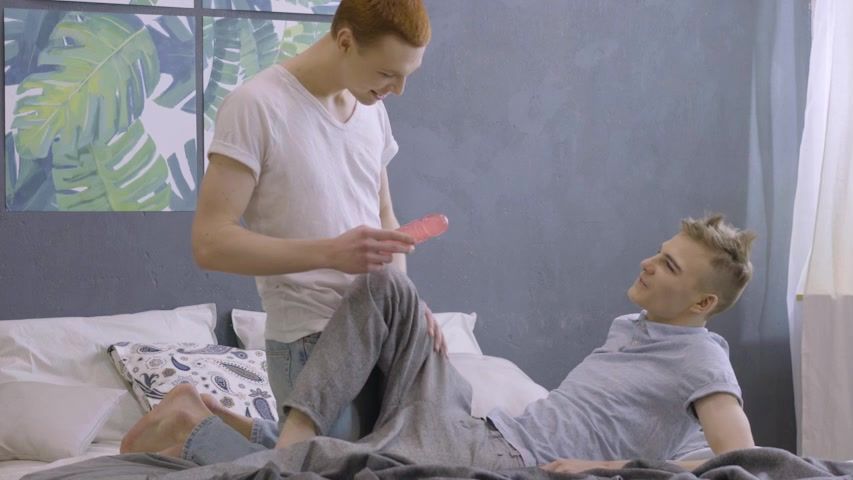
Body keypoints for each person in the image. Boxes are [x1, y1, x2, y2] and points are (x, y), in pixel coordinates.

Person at [121, 213, 757, 475]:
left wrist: (606, 468)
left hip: (508, 464)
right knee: (389, 286)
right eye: (660, 252)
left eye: (669, 266)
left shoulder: (701, 358)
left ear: (703, 304)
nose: (648, 263)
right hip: (477, 425)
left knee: (355, 467)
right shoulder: (631, 327)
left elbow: (742, 462)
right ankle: (292, 437)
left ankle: (201, 426)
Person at [190, 0, 445, 441]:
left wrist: (405, 303)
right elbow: (209, 242)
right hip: (310, 342)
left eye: (407, 75)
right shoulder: (256, 106)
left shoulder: (372, 109)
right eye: (388, 73)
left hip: (376, 335)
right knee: (325, 469)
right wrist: (330, 253)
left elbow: (385, 219)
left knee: (388, 465)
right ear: (345, 41)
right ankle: (189, 431)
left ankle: (203, 422)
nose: (399, 89)